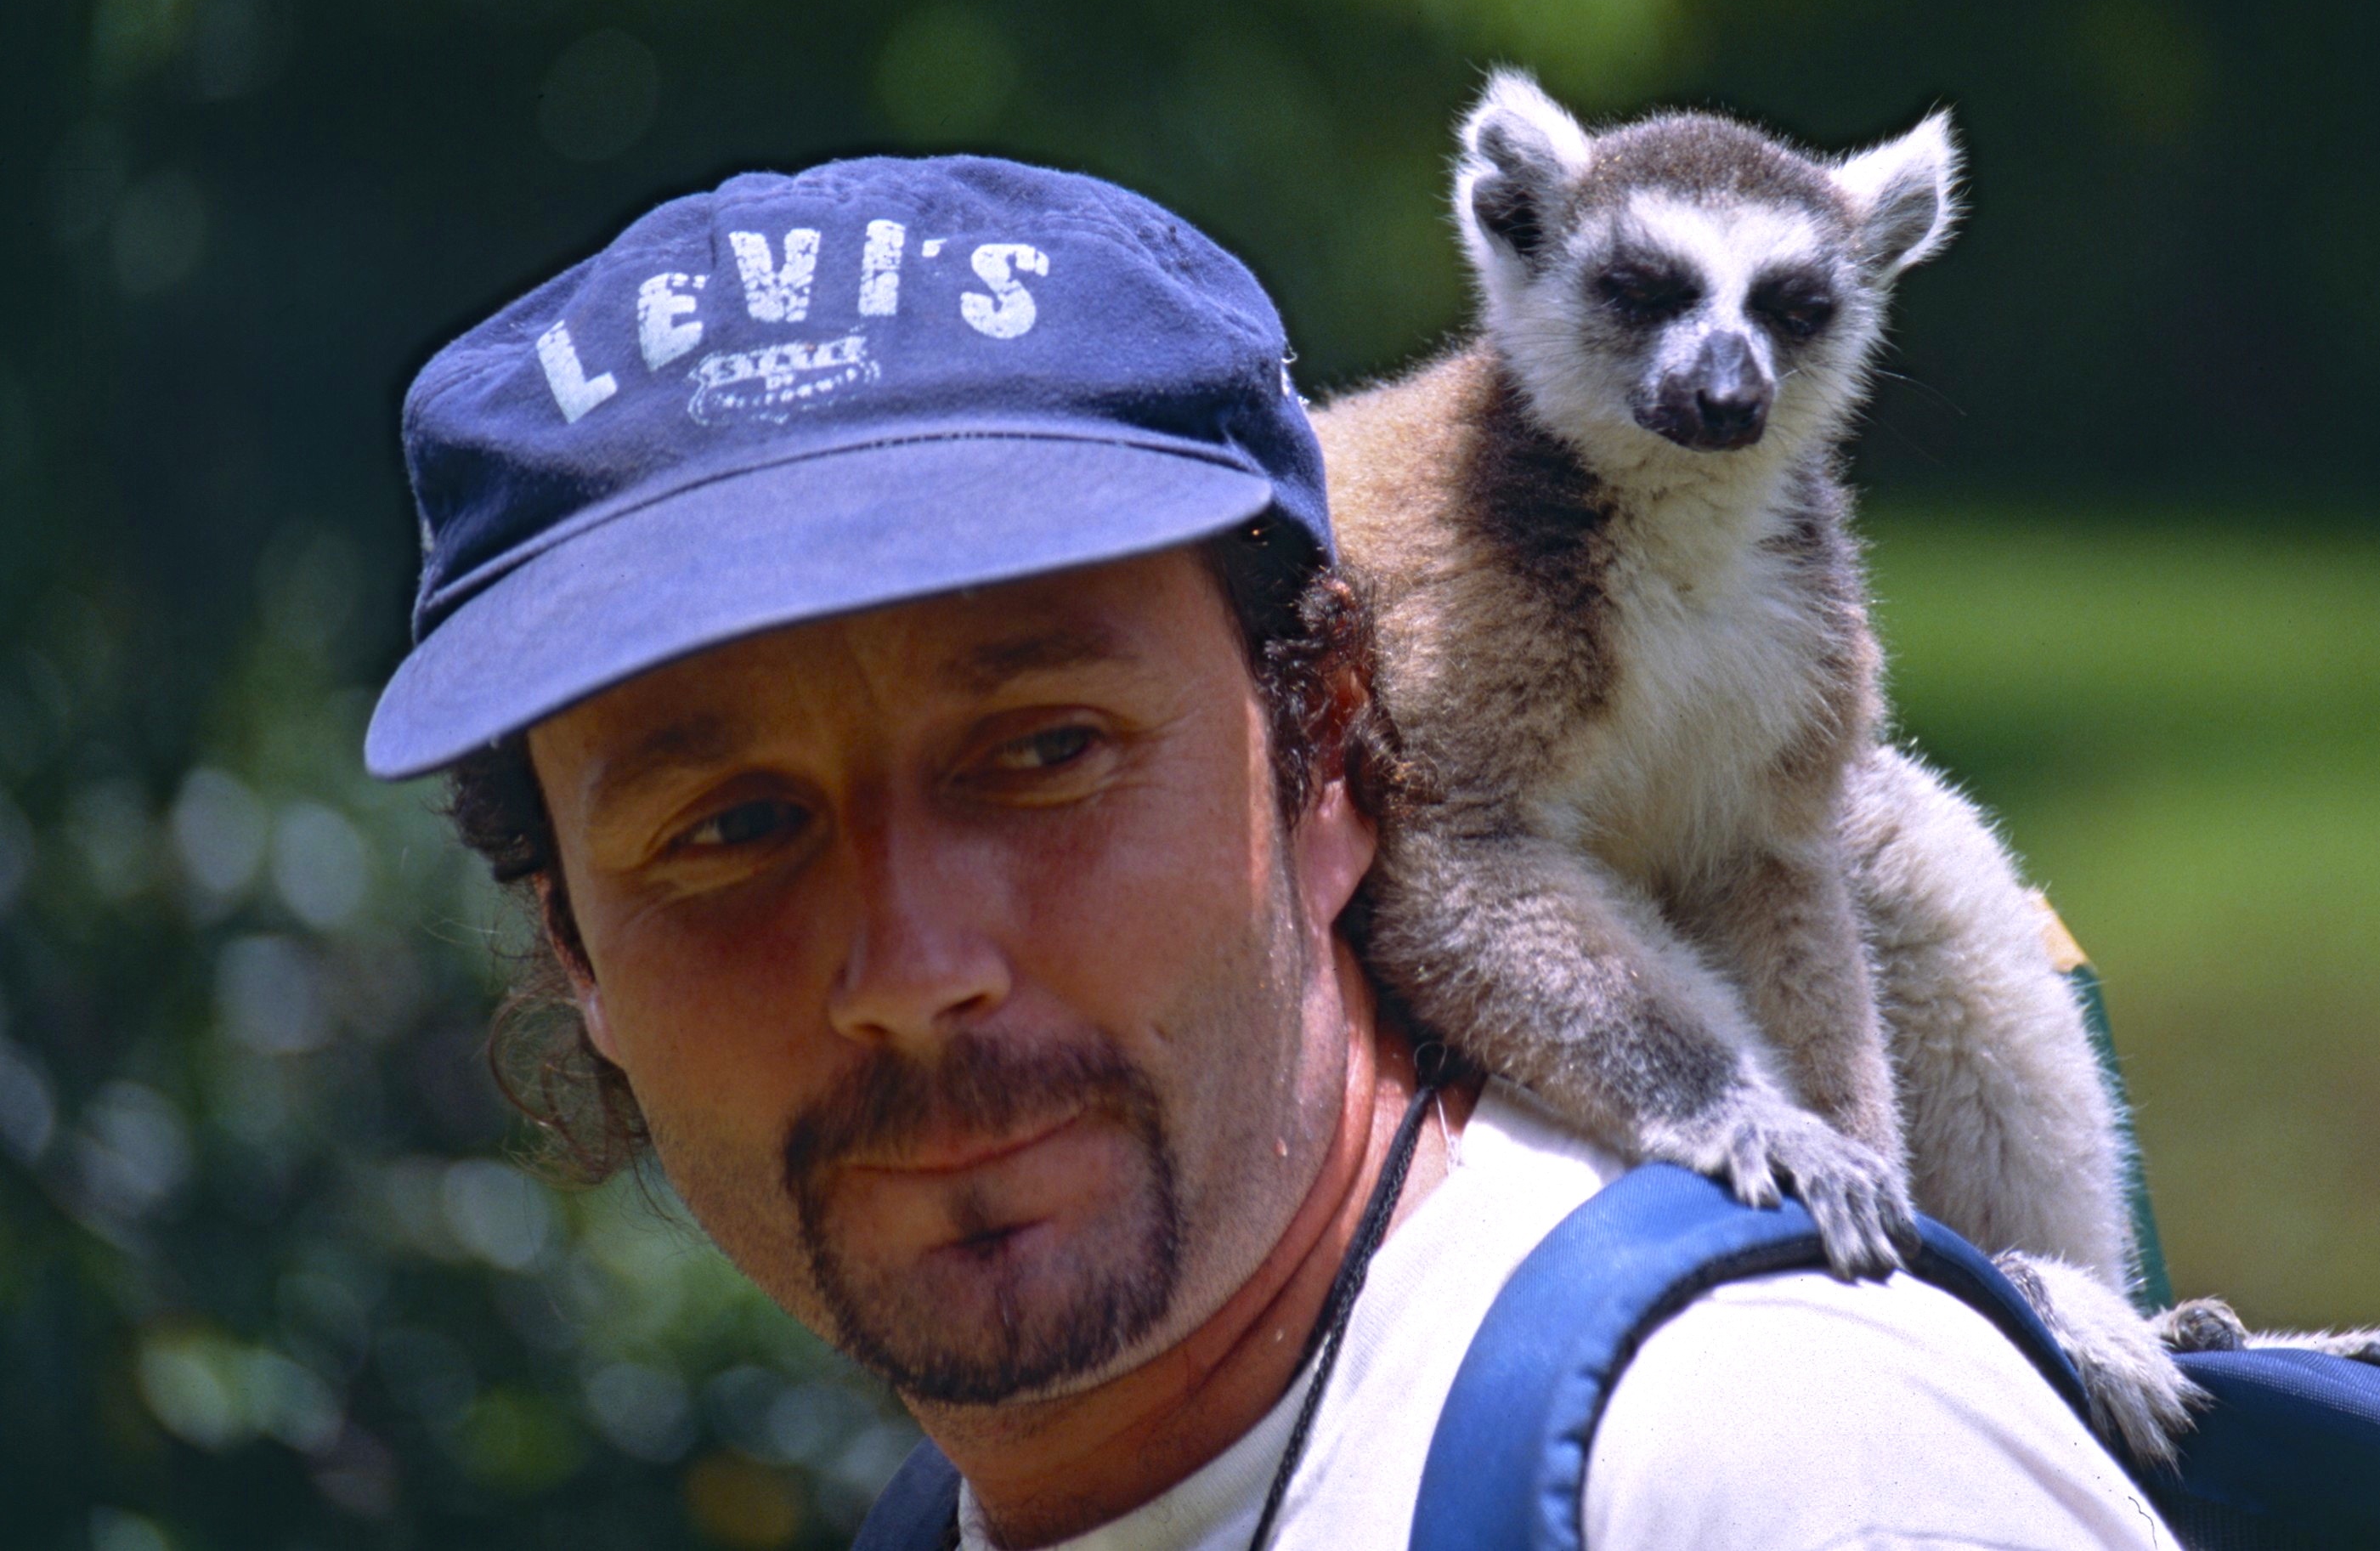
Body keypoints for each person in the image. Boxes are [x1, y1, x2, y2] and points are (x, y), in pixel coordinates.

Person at [366, 155, 2176, 1549]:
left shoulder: (1765, 1463)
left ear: (1328, 758)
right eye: (730, 827)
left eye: (1044, 751)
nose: (915, 962)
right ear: (575, 952)